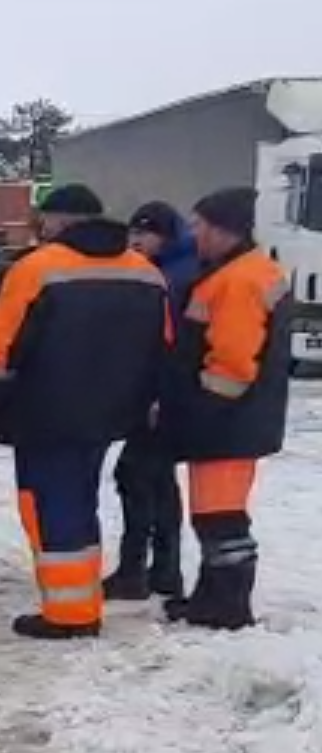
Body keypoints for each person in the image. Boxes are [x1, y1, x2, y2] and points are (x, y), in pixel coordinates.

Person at [0, 184, 171, 640]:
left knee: (50, 505)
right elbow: (164, 348)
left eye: (45, 220)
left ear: (59, 221)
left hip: (44, 413)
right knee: (79, 500)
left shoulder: (35, 270)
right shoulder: (145, 273)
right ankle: (81, 601)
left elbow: (0, 350)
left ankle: (70, 615)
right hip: (111, 415)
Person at [157, 187, 291, 630]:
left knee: (222, 517)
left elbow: (232, 363)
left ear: (222, 228)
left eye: (199, 224)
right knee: (213, 513)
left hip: (227, 421)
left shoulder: (238, 281)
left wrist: (201, 411)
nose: (194, 232)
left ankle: (227, 605)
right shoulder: (242, 271)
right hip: (234, 419)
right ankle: (211, 597)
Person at [104, 201, 200, 600]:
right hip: (164, 393)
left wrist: (160, 395)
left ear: (167, 234)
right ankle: (163, 570)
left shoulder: (172, 278)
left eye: (146, 233)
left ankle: (136, 571)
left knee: (137, 475)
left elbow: (170, 345)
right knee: (157, 480)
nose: (137, 240)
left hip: (164, 396)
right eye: (134, 232)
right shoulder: (169, 270)